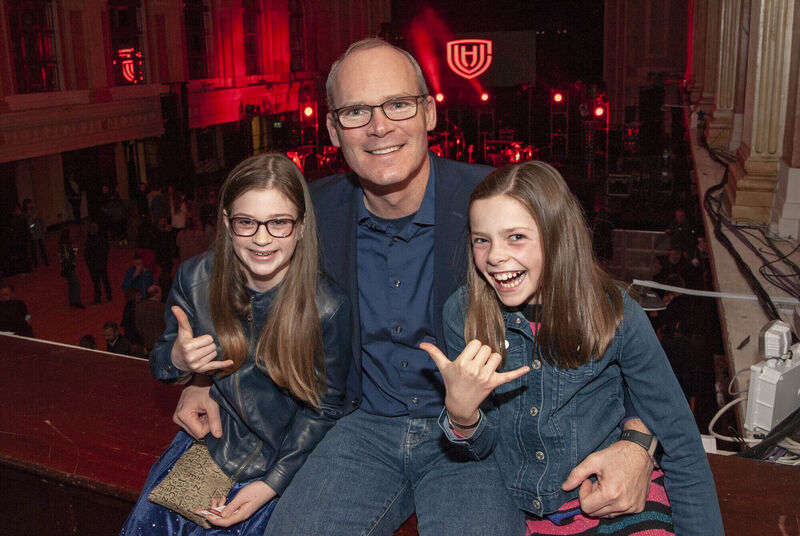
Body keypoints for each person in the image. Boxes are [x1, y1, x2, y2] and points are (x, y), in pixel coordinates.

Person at [174, 39, 656, 535]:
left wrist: (637, 440)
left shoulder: (497, 205)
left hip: (479, 436)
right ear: (333, 130)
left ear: (428, 112)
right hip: (359, 427)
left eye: (397, 104)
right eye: (356, 111)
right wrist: (200, 377)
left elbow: (604, 314)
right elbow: (227, 282)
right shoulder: (308, 213)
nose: (379, 126)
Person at [421, 161, 723, 535]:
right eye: (482, 239)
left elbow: (682, 445)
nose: (495, 255)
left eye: (516, 237)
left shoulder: (616, 313)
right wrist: (462, 417)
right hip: (519, 507)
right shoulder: (462, 314)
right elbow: (481, 450)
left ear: (557, 236)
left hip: (609, 500)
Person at [120, 153, 351, 534]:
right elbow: (159, 363)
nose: (262, 238)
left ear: (302, 227)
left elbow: (325, 409)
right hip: (214, 446)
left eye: (278, 222)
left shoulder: (326, 306)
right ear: (227, 223)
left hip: (286, 459)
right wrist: (181, 362)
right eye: (247, 222)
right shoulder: (195, 277)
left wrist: (271, 484)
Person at [84, 221, 113, 303]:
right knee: (105, 279)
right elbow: (106, 249)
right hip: (102, 263)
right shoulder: (102, 239)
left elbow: (87, 254)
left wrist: (89, 264)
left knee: (96, 282)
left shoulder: (89, 241)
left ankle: (98, 298)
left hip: (94, 265)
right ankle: (109, 295)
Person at [135, 284, 166, 354]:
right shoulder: (163, 307)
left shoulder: (139, 307)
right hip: (162, 344)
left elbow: (138, 328)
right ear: (157, 294)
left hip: (147, 344)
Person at [58, 228, 84, 309]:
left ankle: (72, 301)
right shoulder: (65, 245)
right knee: (76, 284)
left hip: (65, 266)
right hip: (69, 267)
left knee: (71, 284)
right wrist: (75, 249)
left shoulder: (61, 245)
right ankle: (77, 302)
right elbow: (69, 257)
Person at [23, 199, 48, 268]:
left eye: (31, 203)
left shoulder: (35, 211)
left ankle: (45, 261)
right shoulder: (25, 214)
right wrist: (32, 220)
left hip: (39, 232)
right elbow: (29, 225)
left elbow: (41, 219)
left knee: (42, 247)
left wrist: (44, 226)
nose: (31, 205)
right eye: (29, 204)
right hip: (33, 233)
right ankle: (35, 263)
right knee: (33, 249)